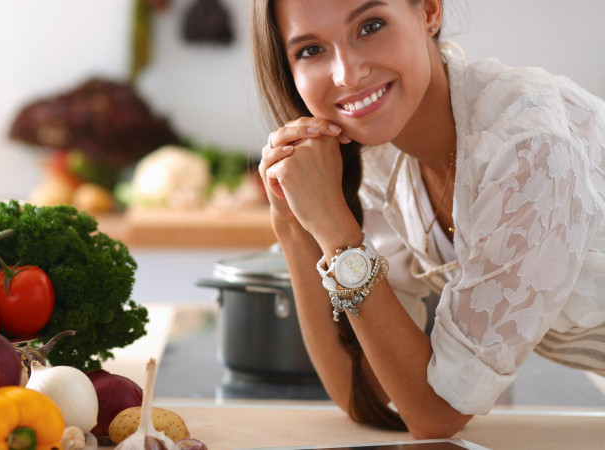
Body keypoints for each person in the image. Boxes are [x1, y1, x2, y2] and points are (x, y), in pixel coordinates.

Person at [251, 0, 605, 439]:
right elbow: (366, 391)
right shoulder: (379, 153)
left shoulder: (529, 148)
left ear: (430, 12)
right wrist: (289, 221)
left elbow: (437, 416)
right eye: (310, 50)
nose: (346, 73)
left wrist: (338, 235)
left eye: (371, 25)